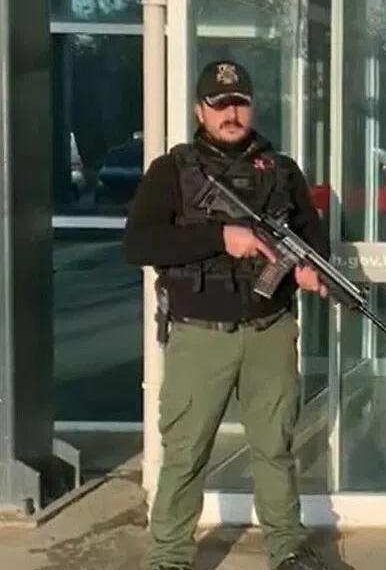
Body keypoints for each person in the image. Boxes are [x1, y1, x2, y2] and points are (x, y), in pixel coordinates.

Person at [124, 60, 332, 570]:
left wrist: (309, 270)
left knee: (274, 448)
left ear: (252, 106)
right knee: (186, 453)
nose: (230, 114)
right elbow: (139, 244)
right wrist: (220, 236)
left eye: (239, 103)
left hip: (270, 331)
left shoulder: (281, 172)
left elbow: (312, 239)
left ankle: (287, 548)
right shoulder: (172, 171)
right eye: (219, 106)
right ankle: (168, 557)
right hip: (200, 336)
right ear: (200, 111)